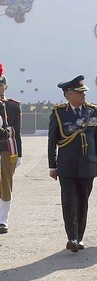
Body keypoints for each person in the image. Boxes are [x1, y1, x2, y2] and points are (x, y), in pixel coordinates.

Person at [48, 75, 97, 252]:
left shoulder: (92, 111)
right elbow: (52, 140)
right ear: (68, 95)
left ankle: (79, 237)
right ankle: (71, 237)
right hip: (67, 164)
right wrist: (52, 165)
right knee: (69, 201)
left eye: (83, 92)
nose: (83, 95)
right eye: (79, 92)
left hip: (88, 163)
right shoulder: (59, 113)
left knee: (82, 202)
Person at [0, 64, 22, 234]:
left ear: (6, 86)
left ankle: (3, 219)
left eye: (1, 84)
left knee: (6, 183)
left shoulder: (13, 105)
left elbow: (18, 132)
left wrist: (19, 155)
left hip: (8, 149)